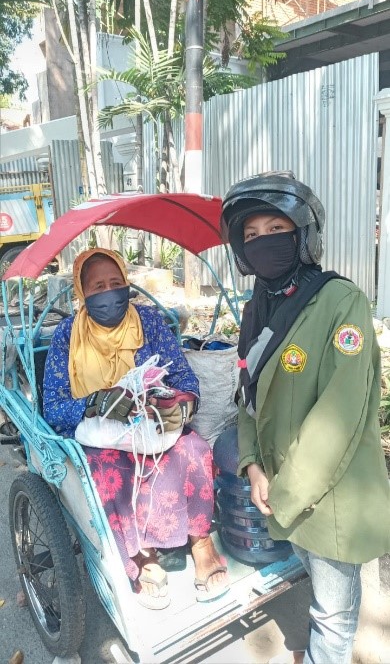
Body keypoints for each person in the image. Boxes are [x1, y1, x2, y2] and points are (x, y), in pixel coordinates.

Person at [219, 171, 390, 664]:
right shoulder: (260, 305)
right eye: (250, 236)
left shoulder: (342, 303)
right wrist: (252, 465)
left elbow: (336, 418)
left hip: (327, 497)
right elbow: (247, 393)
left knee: (332, 618)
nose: (261, 243)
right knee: (314, 579)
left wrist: (284, 493)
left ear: (303, 234)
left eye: (275, 229)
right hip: (279, 488)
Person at [43, 248, 229, 610]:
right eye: (97, 286)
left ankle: (200, 540)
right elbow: (53, 406)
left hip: (151, 422)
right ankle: (143, 554)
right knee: (109, 471)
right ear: (82, 293)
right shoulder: (67, 335)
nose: (108, 292)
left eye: (116, 283)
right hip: (98, 432)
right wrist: (95, 403)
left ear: (127, 285)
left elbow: (181, 375)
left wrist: (181, 402)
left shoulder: (149, 322)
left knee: (194, 450)